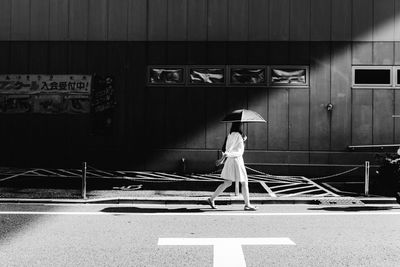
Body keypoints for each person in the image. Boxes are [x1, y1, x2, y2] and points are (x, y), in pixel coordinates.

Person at [207, 122, 258, 211]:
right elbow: (230, 149)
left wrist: (243, 140)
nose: (242, 126)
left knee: (227, 182)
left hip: (231, 160)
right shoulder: (236, 135)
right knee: (244, 182)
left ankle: (211, 199)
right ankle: (247, 204)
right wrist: (221, 159)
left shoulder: (231, 134)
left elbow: (232, 147)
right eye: (242, 124)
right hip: (236, 160)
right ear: (239, 125)